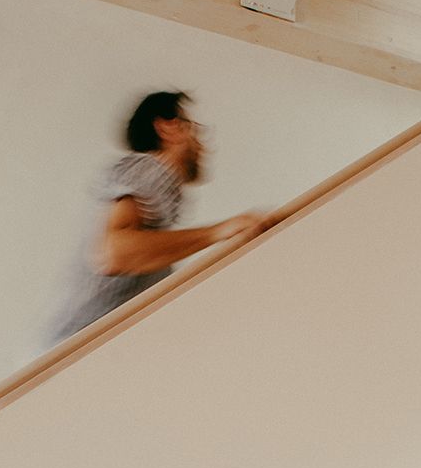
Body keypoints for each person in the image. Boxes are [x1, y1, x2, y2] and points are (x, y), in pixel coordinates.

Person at [46, 91, 269, 345]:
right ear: (168, 127)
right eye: (196, 130)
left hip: (69, 352)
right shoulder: (151, 168)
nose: (204, 145)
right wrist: (218, 232)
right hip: (68, 353)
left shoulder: (156, 246)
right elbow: (113, 254)